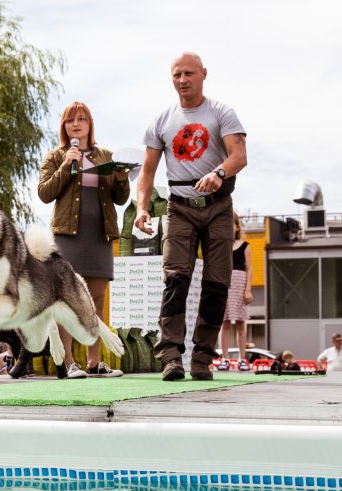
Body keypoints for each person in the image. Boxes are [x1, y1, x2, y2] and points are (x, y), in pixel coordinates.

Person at [135, 52, 247, 382]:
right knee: (176, 279)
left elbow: (239, 155)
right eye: (176, 74)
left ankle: (202, 357)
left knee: (216, 284)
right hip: (179, 208)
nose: (182, 80)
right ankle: (171, 355)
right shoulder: (162, 121)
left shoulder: (222, 113)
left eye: (188, 73)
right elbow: (147, 171)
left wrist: (219, 172)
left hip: (218, 207)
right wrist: (142, 207)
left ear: (203, 74)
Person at [37, 101, 128, 379]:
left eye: (81, 119)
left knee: (96, 300)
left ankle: (94, 361)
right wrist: (67, 165)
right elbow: (44, 193)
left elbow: (121, 199)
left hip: (99, 236)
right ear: (64, 127)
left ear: (90, 124)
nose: (75, 124)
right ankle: (67, 363)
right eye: (69, 120)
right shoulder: (56, 155)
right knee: (67, 300)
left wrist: (122, 179)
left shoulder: (106, 156)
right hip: (67, 237)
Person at [217, 213, 253, 372]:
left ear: (237, 227)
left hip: (239, 285)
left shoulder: (245, 245)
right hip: (224, 286)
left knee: (240, 323)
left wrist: (248, 290)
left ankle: (241, 359)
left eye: (231, 224)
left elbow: (250, 268)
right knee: (223, 323)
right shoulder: (220, 246)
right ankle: (224, 358)